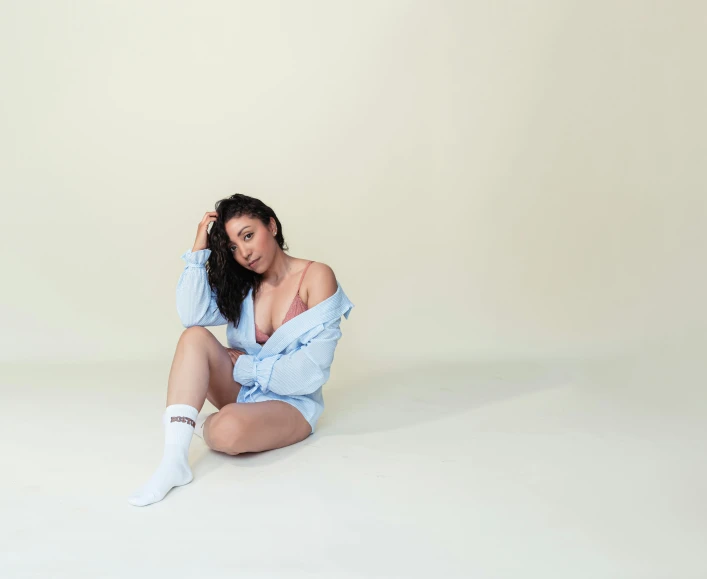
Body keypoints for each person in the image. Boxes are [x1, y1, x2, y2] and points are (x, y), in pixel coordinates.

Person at [128, 193, 354, 506]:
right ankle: (173, 462)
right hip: (243, 389)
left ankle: (198, 422)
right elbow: (191, 316)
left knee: (226, 432)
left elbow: (311, 374)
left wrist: (248, 367)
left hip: (291, 404)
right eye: (233, 246)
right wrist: (198, 251)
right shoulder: (243, 285)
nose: (244, 252)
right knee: (194, 337)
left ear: (271, 226)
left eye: (248, 236)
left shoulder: (316, 277)